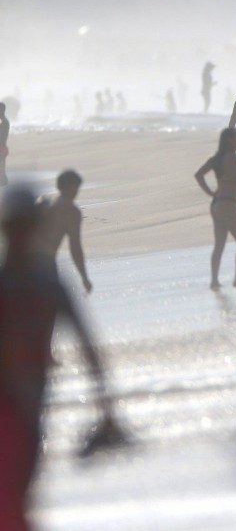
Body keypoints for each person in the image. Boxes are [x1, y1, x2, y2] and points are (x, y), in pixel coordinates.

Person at [0, 186, 120, 529]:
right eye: (15, 226)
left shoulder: (47, 284)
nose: (20, 233)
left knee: (18, 499)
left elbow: (88, 347)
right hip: (7, 408)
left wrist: (106, 406)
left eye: (25, 225)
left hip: (32, 409)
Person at [195, 129, 236, 291]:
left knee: (219, 245)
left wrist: (210, 192)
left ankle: (214, 281)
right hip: (228, 205)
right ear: (230, 140)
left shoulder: (216, 159)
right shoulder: (233, 157)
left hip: (217, 204)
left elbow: (198, 175)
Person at [35, 170, 94, 294]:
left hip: (18, 259)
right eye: (76, 187)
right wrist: (84, 277)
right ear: (72, 187)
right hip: (45, 263)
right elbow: (75, 247)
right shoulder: (72, 212)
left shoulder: (43, 203)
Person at [0, 103, 9, 186]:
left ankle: (3, 181)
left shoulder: (4, 122)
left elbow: (2, 137)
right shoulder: (5, 121)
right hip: (3, 147)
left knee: (2, 165)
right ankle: (3, 181)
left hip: (2, 147)